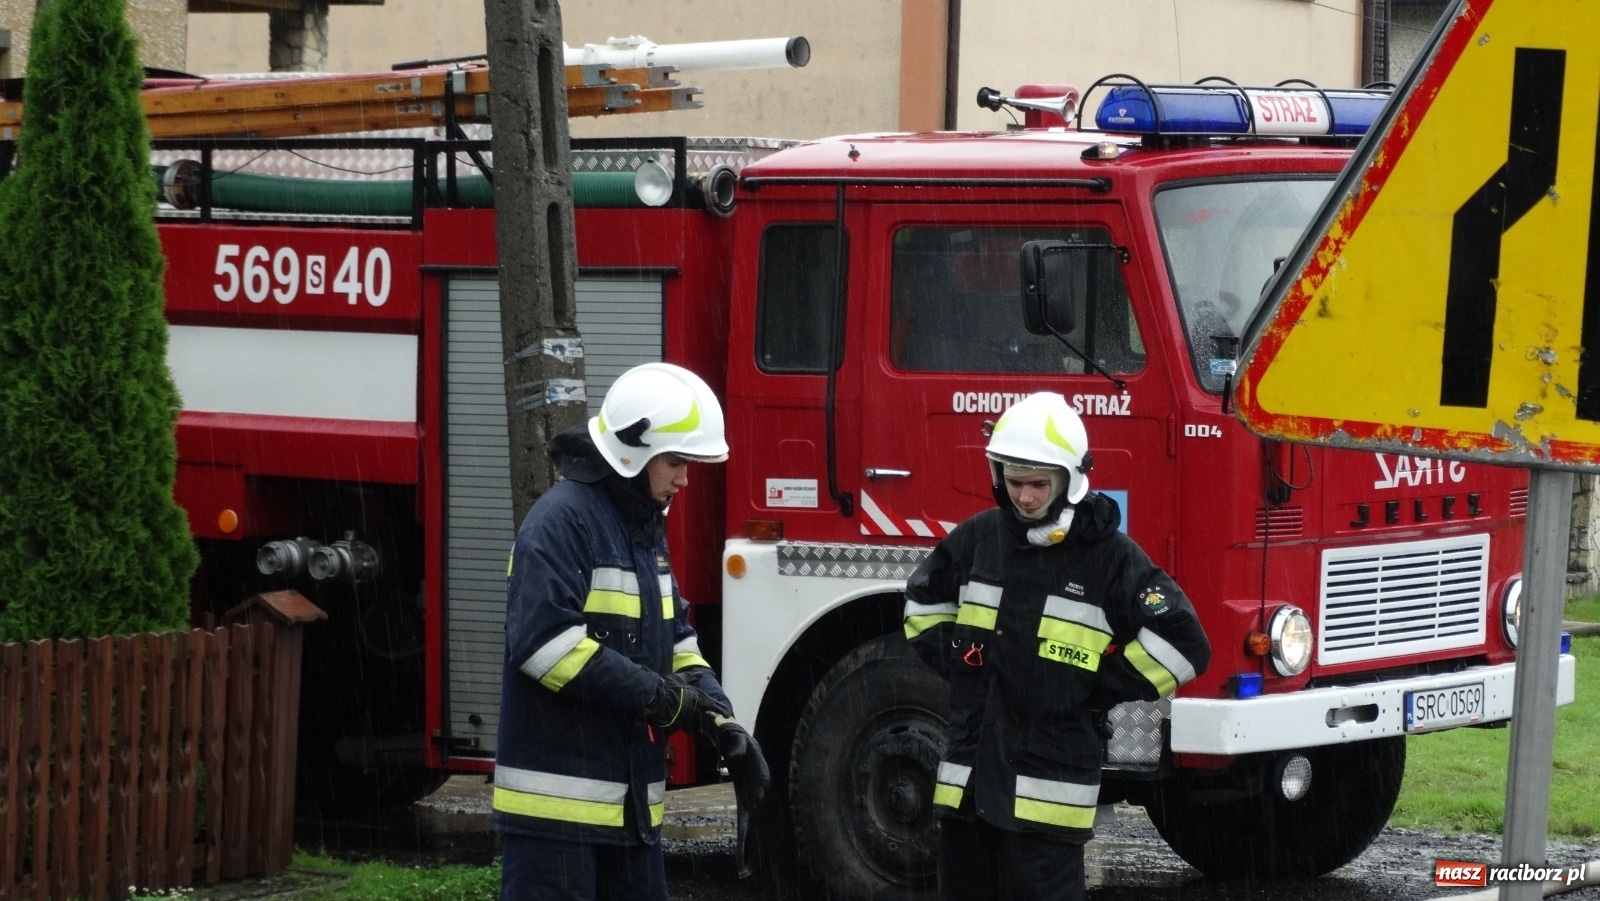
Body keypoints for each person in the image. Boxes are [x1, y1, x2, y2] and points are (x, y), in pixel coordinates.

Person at [902, 391, 1211, 901]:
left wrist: (1092, 685)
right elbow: (921, 606)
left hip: (1048, 807)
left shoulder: (1110, 558)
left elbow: (1185, 645)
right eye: (1015, 481)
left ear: (1069, 480)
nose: (1024, 497)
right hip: (968, 794)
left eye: (1038, 484)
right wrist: (963, 662)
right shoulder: (980, 539)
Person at [493, 361, 768, 901]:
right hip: (557, 822)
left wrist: (719, 717)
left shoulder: (642, 529)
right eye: (675, 462)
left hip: (630, 815)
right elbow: (546, 647)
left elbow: (677, 641)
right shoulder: (561, 521)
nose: (685, 479)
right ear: (632, 454)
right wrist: (663, 700)